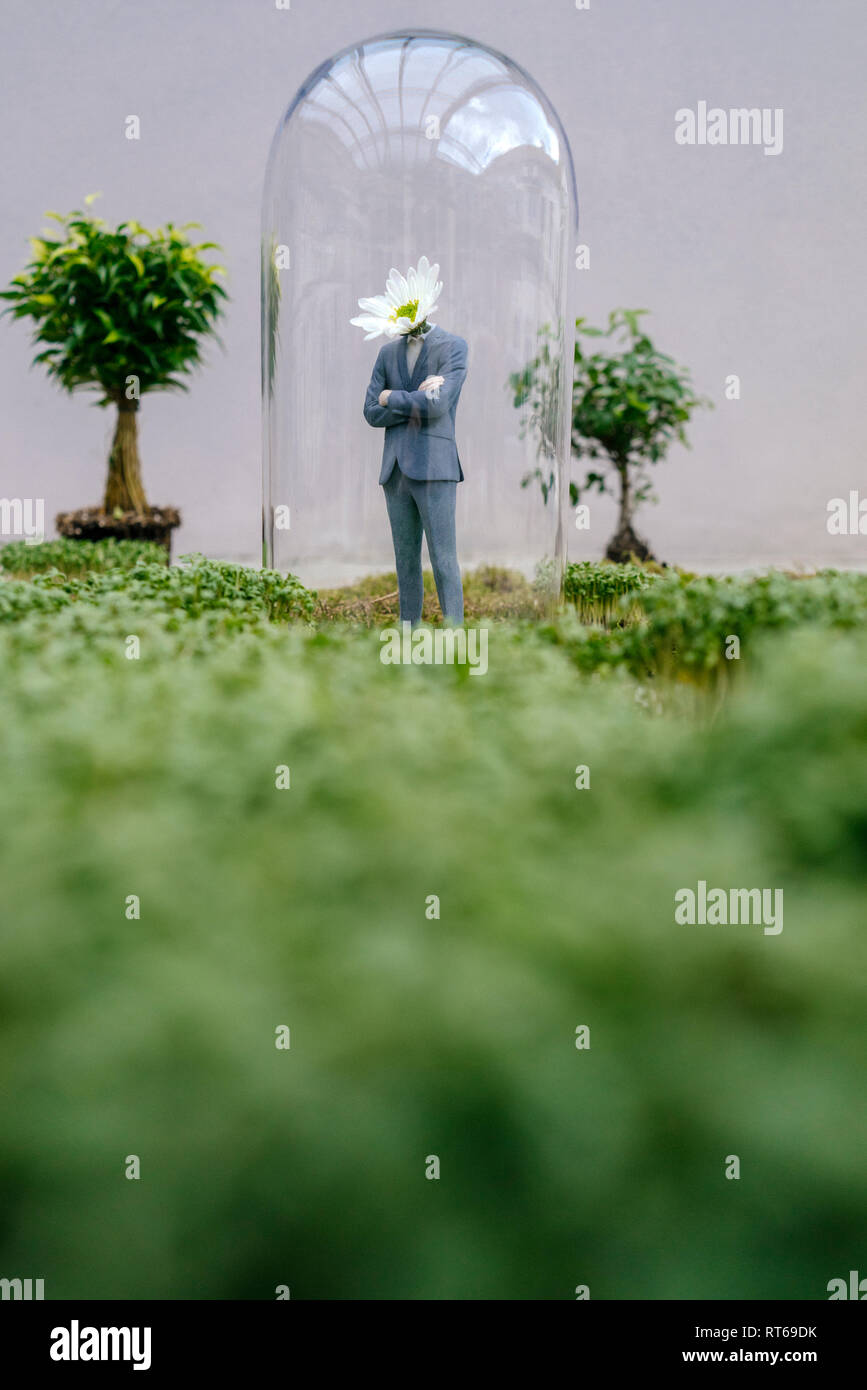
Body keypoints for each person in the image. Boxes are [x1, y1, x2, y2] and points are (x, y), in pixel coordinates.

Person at [352, 258, 467, 625]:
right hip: (396, 469)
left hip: (435, 466)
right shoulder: (387, 352)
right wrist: (407, 398)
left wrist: (392, 397)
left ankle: (455, 634)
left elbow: (439, 405)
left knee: (444, 559)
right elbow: (371, 412)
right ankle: (408, 633)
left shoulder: (452, 346)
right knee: (405, 561)